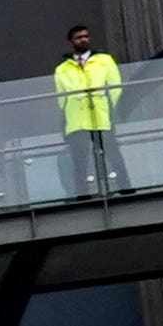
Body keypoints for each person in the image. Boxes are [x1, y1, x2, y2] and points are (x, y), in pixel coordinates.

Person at [54, 21, 125, 196]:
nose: (84, 40)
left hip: (101, 115)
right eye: (79, 38)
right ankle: (82, 193)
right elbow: (61, 97)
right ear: (71, 42)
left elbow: (116, 87)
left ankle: (125, 187)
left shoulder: (104, 60)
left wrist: (110, 109)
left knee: (113, 154)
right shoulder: (62, 69)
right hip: (77, 119)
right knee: (79, 160)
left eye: (86, 36)